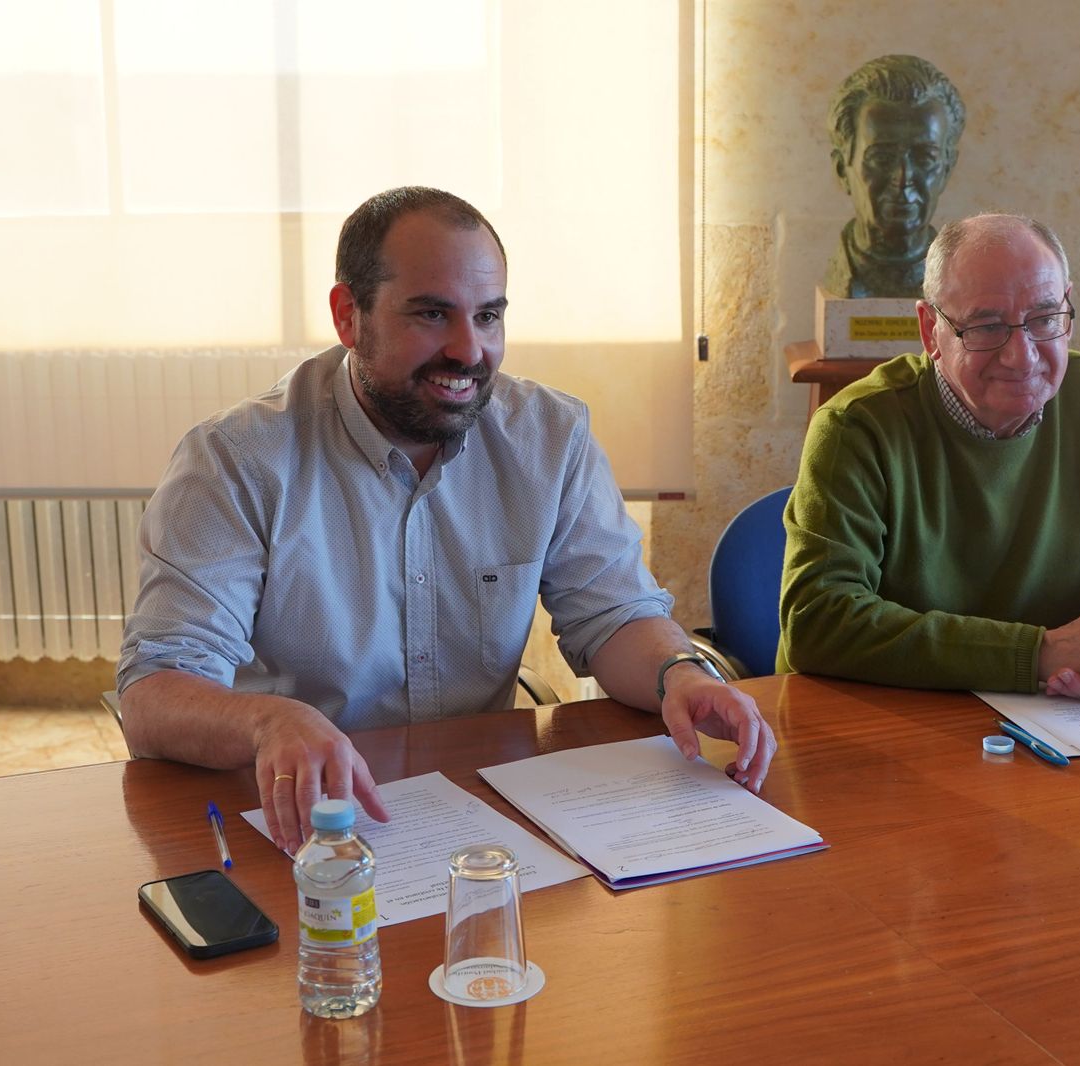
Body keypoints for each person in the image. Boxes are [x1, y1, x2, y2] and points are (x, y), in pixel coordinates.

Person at [118, 186, 775, 851]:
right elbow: (156, 694)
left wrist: (678, 674)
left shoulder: (549, 436)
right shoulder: (236, 460)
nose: (469, 350)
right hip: (297, 825)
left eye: (489, 316)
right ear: (349, 317)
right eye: (433, 314)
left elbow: (614, 616)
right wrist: (268, 722)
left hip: (477, 813)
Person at [780, 213, 1080, 699]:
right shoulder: (856, 427)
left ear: (1067, 308)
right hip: (890, 718)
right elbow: (818, 618)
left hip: (1060, 719)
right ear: (931, 332)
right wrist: (1038, 654)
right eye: (987, 326)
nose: (1022, 356)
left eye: (1045, 319)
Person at [823, 54, 966, 298]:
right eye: (882, 158)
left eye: (924, 158)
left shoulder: (952, 284)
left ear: (947, 169)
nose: (903, 179)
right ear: (841, 169)